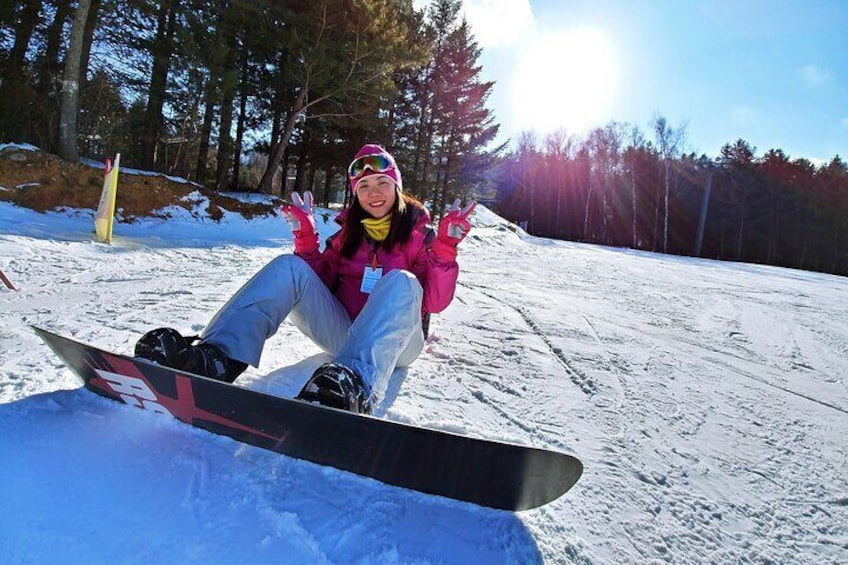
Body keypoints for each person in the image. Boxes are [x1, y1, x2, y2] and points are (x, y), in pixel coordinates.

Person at [134, 144, 476, 415]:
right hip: (344, 333)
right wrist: (305, 240)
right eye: (365, 186)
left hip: (399, 344)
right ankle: (217, 357)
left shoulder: (419, 234)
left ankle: (356, 385)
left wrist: (445, 248)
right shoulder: (346, 237)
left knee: (401, 281)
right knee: (289, 267)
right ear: (355, 193)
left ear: (397, 188)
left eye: (383, 183)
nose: (374, 193)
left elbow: (435, 302)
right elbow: (314, 282)